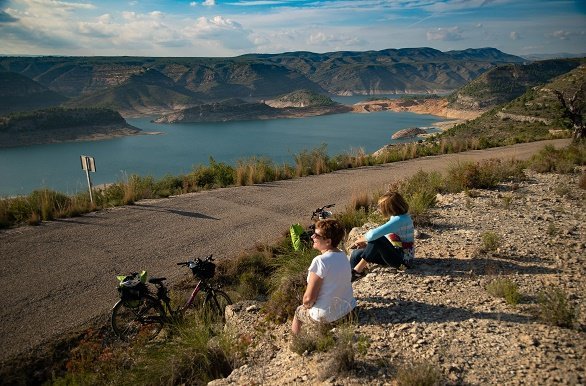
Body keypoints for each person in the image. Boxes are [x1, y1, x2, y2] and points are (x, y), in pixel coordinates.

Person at [291, 218, 356, 335]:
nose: (312, 237)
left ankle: (294, 342)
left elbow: (308, 299)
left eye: (316, 235)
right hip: (348, 311)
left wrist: (306, 306)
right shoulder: (343, 255)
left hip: (327, 317)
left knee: (298, 312)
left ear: (328, 241)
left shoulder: (320, 261)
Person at [349, 191, 414, 282]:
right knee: (356, 254)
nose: (380, 209)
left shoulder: (400, 220)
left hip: (403, 262)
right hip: (394, 254)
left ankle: (357, 271)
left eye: (381, 207)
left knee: (377, 239)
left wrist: (361, 239)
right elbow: (390, 238)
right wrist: (368, 247)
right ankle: (350, 278)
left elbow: (373, 235)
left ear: (389, 208)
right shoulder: (401, 217)